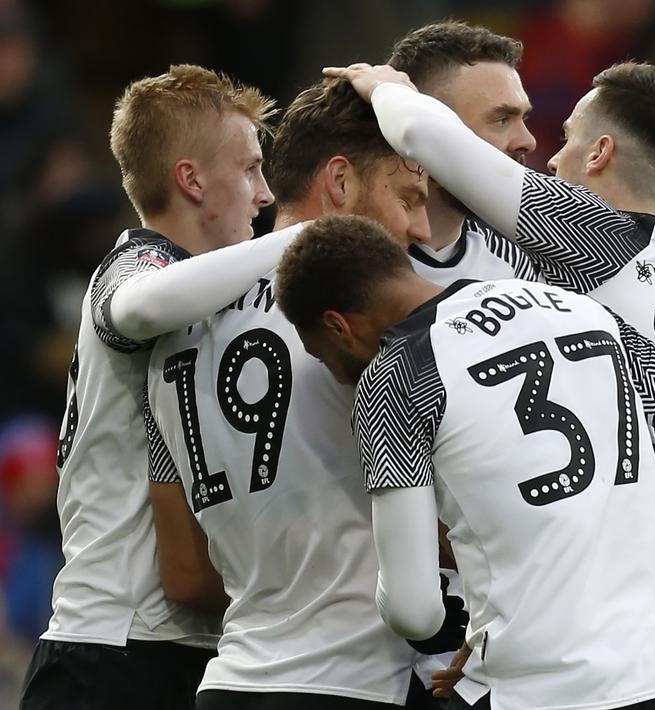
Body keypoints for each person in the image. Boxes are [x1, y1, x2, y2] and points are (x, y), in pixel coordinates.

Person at [273, 214, 655, 710]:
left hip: (537, 691)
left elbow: (413, 611)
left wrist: (478, 627)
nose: (336, 374)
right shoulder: (583, 311)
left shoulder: (397, 372)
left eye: (322, 355)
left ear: (338, 325)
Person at [143, 78, 447, 710]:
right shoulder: (362, 319)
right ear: (339, 184)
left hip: (232, 680)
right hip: (357, 682)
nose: (419, 229)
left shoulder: (172, 325)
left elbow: (185, 574)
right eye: (408, 196)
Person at [19, 64, 309, 710]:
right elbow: (140, 309)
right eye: (250, 168)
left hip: (193, 650)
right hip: (111, 649)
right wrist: (304, 240)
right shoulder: (138, 263)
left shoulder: (220, 297)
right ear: (191, 178)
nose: (265, 194)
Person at [328, 60, 655, 533]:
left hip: (573, 547)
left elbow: (425, 139)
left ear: (599, 154)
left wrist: (386, 87)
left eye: (569, 136)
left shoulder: (595, 231)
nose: (550, 159)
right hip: (654, 558)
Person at [385, 21, 538, 286]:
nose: (528, 141)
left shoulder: (525, 269)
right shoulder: (346, 266)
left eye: (523, 118)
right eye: (501, 119)